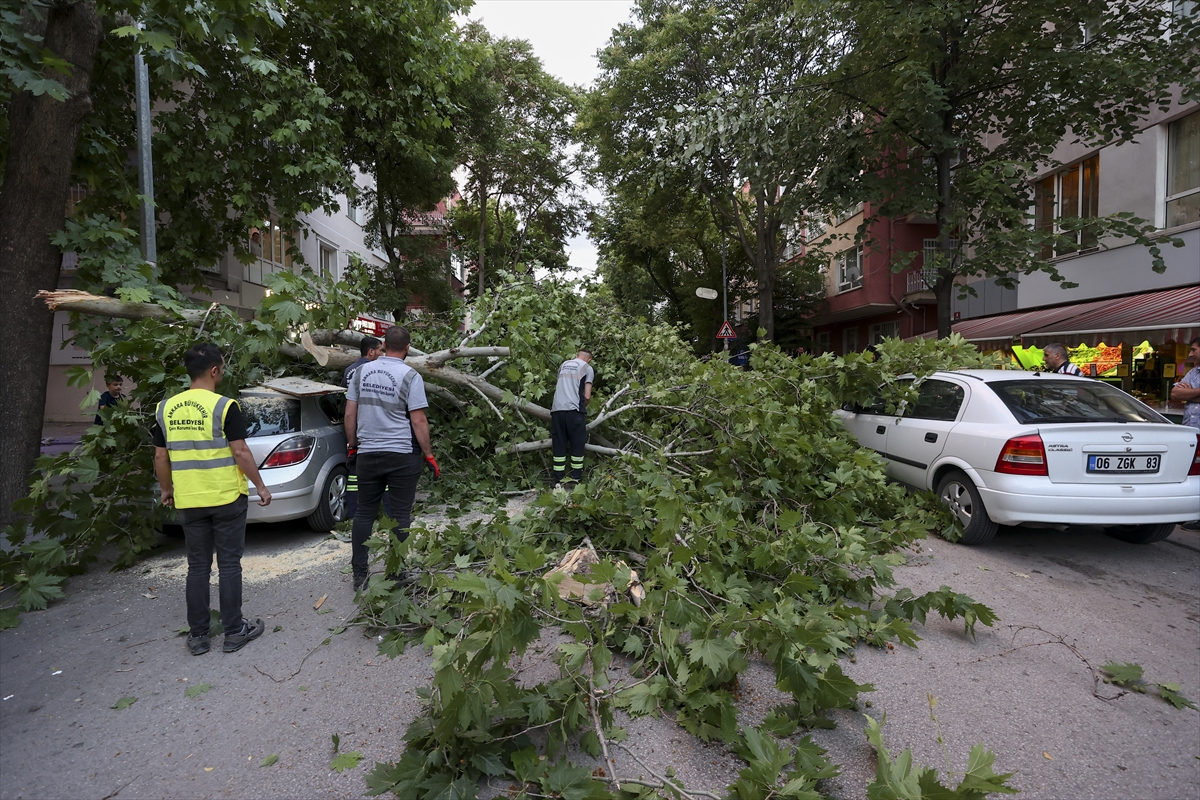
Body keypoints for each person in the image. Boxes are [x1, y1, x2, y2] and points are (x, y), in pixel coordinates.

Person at [153, 343, 272, 656]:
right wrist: (260, 485)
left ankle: (199, 637)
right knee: (229, 564)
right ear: (215, 370)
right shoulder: (224, 406)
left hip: (190, 499)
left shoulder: (165, 408)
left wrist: (166, 489)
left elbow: (160, 455)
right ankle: (234, 631)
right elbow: (240, 451)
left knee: (197, 567)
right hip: (225, 498)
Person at [344, 325, 438, 591]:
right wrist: (429, 455)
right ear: (407, 348)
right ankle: (396, 573)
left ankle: (360, 575)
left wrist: (353, 446)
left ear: (383, 345)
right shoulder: (411, 375)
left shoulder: (361, 371)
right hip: (401, 455)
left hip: (368, 454)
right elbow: (418, 420)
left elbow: (350, 414)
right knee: (399, 515)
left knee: (364, 514)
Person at [343, 336, 383, 521]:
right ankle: (384, 512)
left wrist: (350, 440)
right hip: (371, 427)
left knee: (354, 475)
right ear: (371, 351)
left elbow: (346, 405)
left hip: (354, 428)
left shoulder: (349, 371)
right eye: (380, 350)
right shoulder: (374, 371)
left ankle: (354, 513)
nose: (382, 354)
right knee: (382, 473)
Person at [550, 348, 594, 485]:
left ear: (576, 355)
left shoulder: (563, 365)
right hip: (574, 410)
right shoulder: (587, 368)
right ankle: (575, 480)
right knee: (577, 446)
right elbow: (587, 395)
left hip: (557, 410)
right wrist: (584, 405)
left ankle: (558, 481)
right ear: (589, 359)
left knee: (559, 445)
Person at [1170, 337, 1200, 531]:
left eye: (1194, 350)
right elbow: (1175, 395)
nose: (1190, 354)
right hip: (1194, 430)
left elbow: (1183, 395)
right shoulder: (1193, 372)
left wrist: (1191, 393)